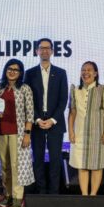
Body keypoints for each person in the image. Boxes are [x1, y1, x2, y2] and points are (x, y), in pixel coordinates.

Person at [24, 38, 68, 194]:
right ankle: (41, 191)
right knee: (38, 159)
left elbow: (63, 99)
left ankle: (54, 192)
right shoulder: (29, 74)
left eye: (47, 48)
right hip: (36, 123)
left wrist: (52, 119)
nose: (44, 50)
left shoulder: (61, 73)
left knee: (55, 159)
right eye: (41, 48)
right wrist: (37, 119)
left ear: (52, 51)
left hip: (55, 123)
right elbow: (27, 100)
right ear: (36, 51)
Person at [68, 61, 104, 196]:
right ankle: (84, 195)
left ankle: (93, 195)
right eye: (83, 70)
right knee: (82, 165)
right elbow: (72, 112)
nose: (85, 73)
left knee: (97, 165)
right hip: (80, 133)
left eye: (89, 70)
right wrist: (71, 131)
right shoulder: (75, 89)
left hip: (98, 133)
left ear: (95, 73)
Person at [0, 59, 34, 207]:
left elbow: (30, 114)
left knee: (16, 166)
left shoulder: (25, 89)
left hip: (18, 133)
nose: (12, 71)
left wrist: (27, 134)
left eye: (15, 70)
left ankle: (17, 197)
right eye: (9, 68)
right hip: (0, 132)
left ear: (20, 73)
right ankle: (7, 195)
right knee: (4, 166)